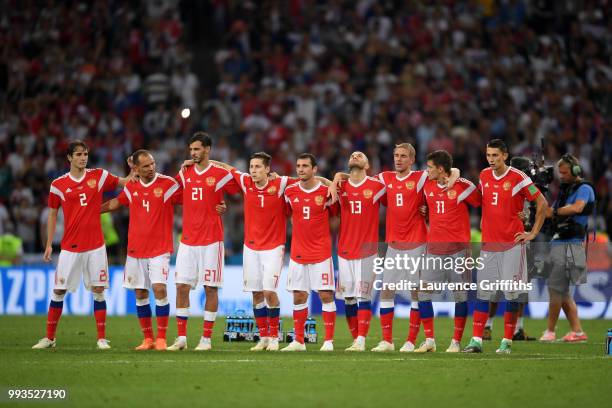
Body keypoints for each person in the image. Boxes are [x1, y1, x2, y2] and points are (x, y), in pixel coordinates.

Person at [329, 143, 458, 352]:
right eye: (396, 155)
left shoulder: (420, 178)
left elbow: (448, 169)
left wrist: (452, 178)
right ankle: (387, 341)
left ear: (412, 160)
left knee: (417, 293)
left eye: (403, 156)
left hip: (416, 243)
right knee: (387, 292)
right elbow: (355, 177)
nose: (398, 159)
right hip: (393, 245)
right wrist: (337, 176)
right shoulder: (384, 179)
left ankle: (411, 340)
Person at [32, 140, 134, 350]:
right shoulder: (58, 185)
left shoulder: (98, 176)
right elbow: (52, 213)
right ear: (69, 157)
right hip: (70, 246)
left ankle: (101, 338)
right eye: (78, 154)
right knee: (59, 291)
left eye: (85, 154)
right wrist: (49, 243)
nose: (83, 158)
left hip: (96, 245)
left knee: (98, 291)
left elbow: (126, 183)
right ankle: (49, 338)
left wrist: (133, 170)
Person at [463, 139, 547, 354]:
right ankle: (476, 341)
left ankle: (507, 342)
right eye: (488, 155)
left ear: (505, 156)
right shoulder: (483, 175)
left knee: (511, 295)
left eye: (495, 155)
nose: (491, 160)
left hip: (512, 245)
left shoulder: (518, 178)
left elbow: (542, 203)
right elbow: (486, 203)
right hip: (489, 246)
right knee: (484, 294)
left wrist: (533, 232)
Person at [101, 150, 181, 351]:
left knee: (159, 289)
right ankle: (148, 339)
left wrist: (217, 204)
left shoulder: (167, 184)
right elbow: (115, 203)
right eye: (146, 166)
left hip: (160, 249)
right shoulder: (131, 187)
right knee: (140, 293)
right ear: (136, 168)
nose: (151, 168)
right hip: (136, 249)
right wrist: (89, 210)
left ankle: (162, 338)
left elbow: (191, 197)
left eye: (153, 163)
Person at [168, 132, 240, 351]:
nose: (193, 153)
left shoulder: (219, 173)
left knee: (210, 288)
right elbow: (176, 193)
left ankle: (206, 340)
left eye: (197, 149)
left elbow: (237, 184)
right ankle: (181, 338)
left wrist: (224, 205)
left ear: (207, 149)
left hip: (211, 240)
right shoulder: (185, 171)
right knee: (181, 287)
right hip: (188, 239)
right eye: (191, 149)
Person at [416, 150, 481, 353]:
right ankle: (429, 341)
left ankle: (456, 342)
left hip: (458, 250)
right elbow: (424, 206)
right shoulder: (426, 186)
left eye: (430, 167)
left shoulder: (462, 186)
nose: (427, 171)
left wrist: (456, 175)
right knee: (423, 294)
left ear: (441, 169)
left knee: (460, 296)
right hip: (434, 249)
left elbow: (479, 202)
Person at [281, 153, 338, 352]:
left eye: (305, 166)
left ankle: (328, 341)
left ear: (315, 169)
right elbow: (289, 216)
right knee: (298, 296)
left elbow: (336, 216)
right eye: (298, 166)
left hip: (321, 253)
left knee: (325, 295)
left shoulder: (326, 192)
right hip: (298, 253)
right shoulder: (289, 192)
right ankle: (298, 341)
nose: (301, 169)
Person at [333, 151, 386, 352]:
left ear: (367, 165)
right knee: (348, 298)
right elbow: (313, 181)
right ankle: (356, 340)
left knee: (364, 296)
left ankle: (362, 339)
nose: (355, 155)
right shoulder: (339, 186)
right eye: (353, 155)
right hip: (345, 250)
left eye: (360, 155)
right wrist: (336, 178)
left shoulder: (376, 186)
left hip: (368, 251)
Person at [539, 154, 594, 342]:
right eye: (559, 173)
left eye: (564, 172)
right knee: (561, 291)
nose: (561, 176)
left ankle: (550, 332)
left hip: (570, 243)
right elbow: (549, 213)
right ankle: (577, 332)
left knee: (556, 289)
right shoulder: (564, 191)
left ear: (576, 170)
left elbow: (578, 208)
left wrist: (553, 211)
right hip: (560, 242)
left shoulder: (584, 188)